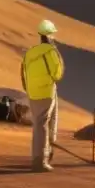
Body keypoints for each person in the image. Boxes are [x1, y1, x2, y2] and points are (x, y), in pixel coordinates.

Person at [21, 19, 64, 173]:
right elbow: (58, 74)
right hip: (47, 93)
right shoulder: (51, 52)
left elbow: (23, 73)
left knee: (39, 125)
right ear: (50, 35)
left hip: (32, 94)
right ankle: (40, 160)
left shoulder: (30, 52)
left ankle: (43, 155)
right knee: (44, 125)